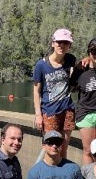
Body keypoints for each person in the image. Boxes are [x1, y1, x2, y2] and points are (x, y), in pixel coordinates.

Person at [33, 28, 77, 158]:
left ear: (69, 45)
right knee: (51, 149)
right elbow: (36, 91)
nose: (62, 45)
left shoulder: (70, 60)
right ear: (53, 43)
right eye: (59, 42)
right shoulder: (41, 65)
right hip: (50, 112)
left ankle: (63, 176)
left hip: (68, 110)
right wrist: (38, 115)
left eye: (65, 43)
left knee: (63, 148)